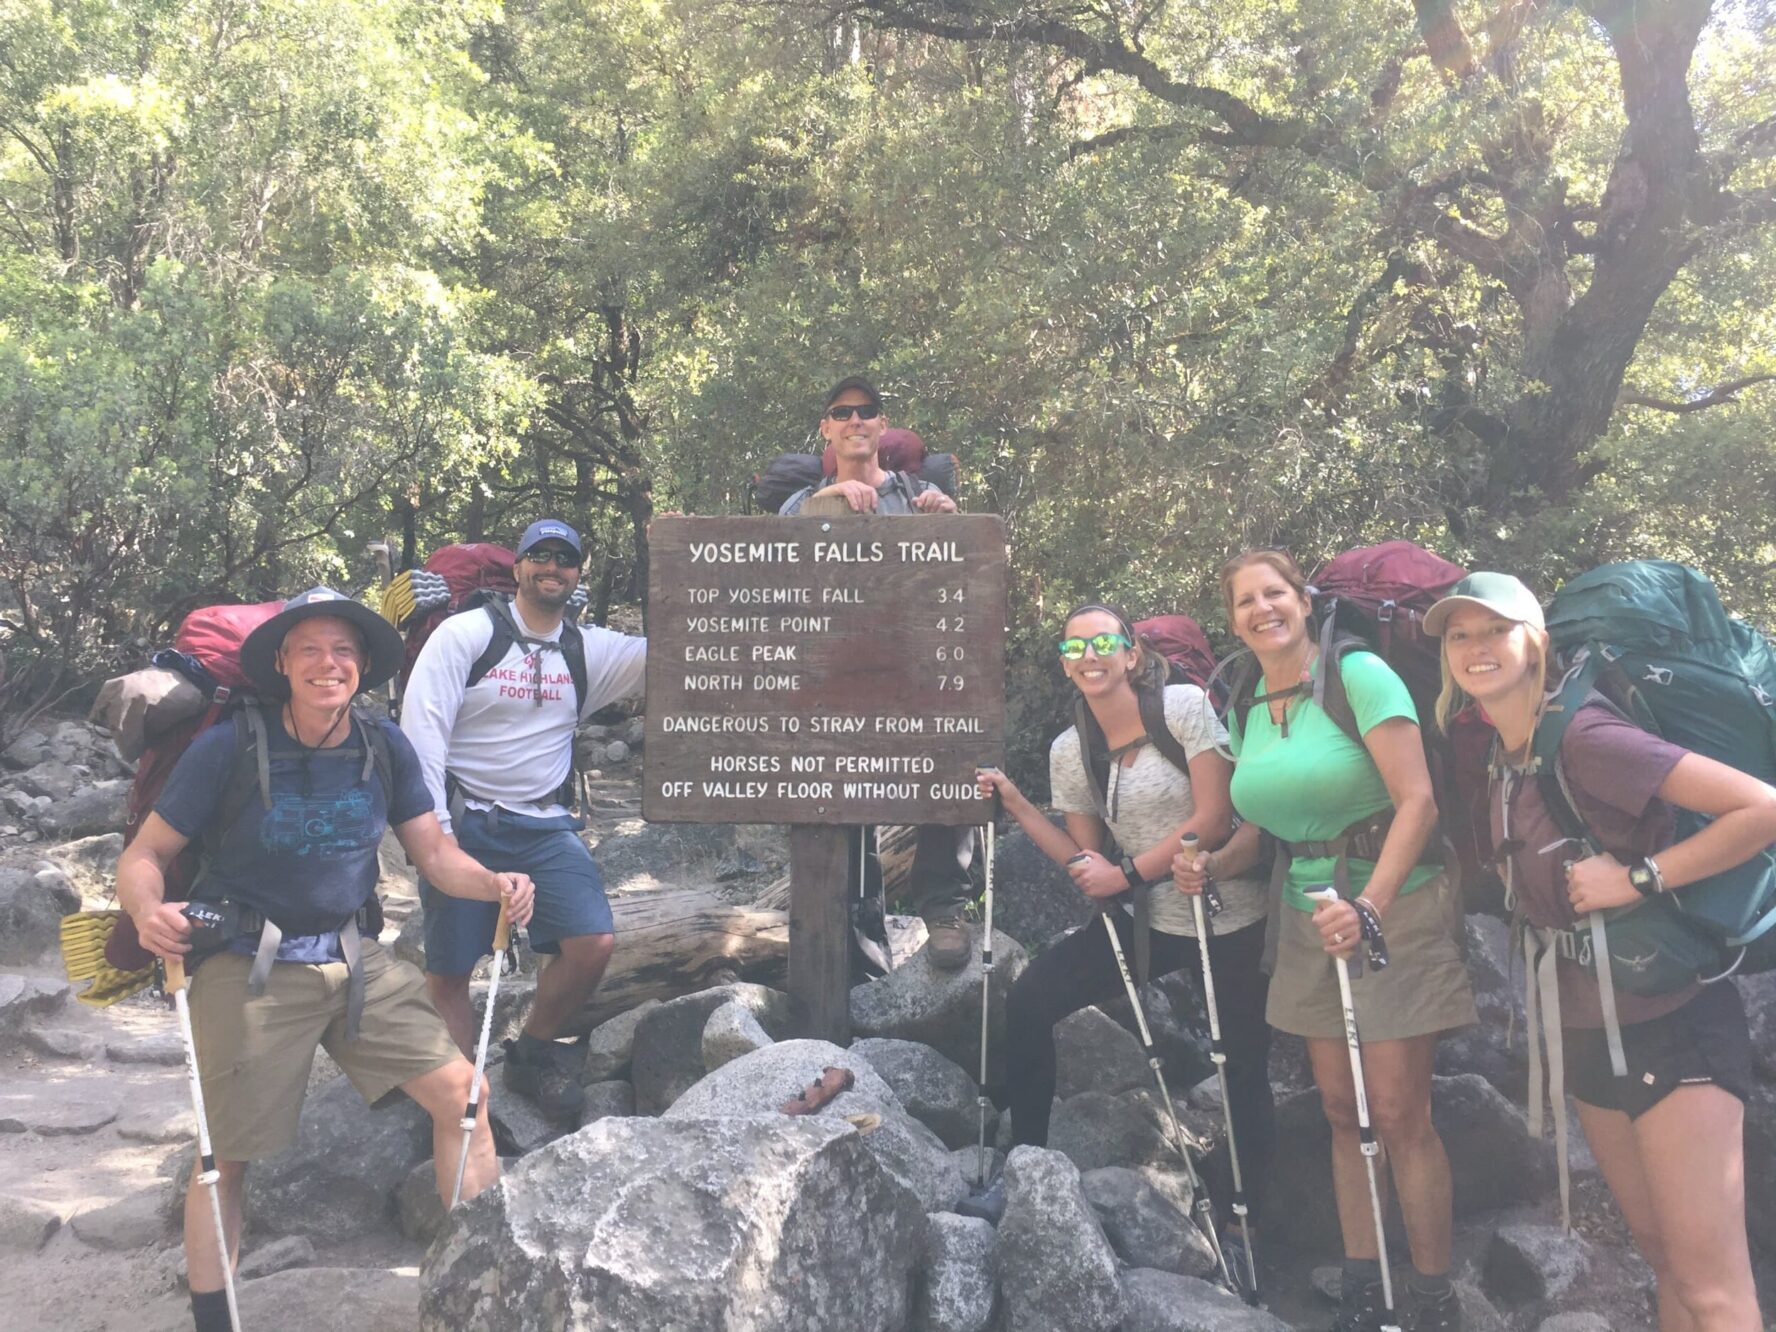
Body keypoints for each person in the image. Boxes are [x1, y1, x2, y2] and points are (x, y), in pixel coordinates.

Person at [116, 587, 535, 1332]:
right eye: (308, 649)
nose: (327, 663)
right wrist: (148, 912)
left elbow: (435, 854)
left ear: (364, 663)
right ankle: (215, 1320)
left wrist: (494, 884)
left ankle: (474, 1295)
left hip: (353, 956)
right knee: (224, 1158)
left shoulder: (383, 745)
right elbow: (145, 855)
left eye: (342, 649)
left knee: (465, 1100)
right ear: (281, 663)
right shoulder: (228, 747)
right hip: (244, 962)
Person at [1428, 573, 1774, 1332]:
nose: (1477, 647)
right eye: (1459, 635)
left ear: (1536, 641)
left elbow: (1761, 807)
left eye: (1495, 630)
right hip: (1588, 1028)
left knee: (1713, 1286)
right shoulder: (1505, 748)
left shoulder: (1584, 736)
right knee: (1664, 1258)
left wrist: (1639, 878)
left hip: (1673, 1019)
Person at [1173, 550, 1475, 1332]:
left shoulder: (1359, 675)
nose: (1261, 609)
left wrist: (1368, 906)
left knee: (1400, 1112)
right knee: (1343, 1110)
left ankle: (1432, 1294)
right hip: (1306, 911)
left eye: (1274, 593)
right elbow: (1262, 825)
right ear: (1232, 619)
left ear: (1305, 601)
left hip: (1394, 902)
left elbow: (1417, 802)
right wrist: (1212, 864)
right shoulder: (1246, 698)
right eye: (1244, 601)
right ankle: (1363, 1279)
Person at [977, 603, 1275, 1232]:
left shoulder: (1183, 709)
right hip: (1151, 923)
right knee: (1029, 1000)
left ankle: (1253, 1215)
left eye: (1103, 643)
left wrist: (1128, 874)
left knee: (1241, 1061)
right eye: (1074, 648)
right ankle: (1026, 1168)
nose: (1089, 657)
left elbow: (1213, 818)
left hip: (1228, 914)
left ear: (1132, 654)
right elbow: (1085, 859)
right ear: (1064, 664)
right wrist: (1018, 806)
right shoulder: (1072, 748)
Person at [402, 518, 646, 1121]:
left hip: (544, 825)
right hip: (466, 822)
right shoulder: (465, 635)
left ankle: (531, 1053)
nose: (552, 566)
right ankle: (462, 1101)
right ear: (517, 567)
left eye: (565, 558)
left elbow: (681, 650)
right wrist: (434, 832)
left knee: (592, 943)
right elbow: (422, 734)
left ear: (579, 573)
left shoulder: (588, 649)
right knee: (451, 972)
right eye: (540, 555)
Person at [781, 375, 975, 969]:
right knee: (842, 800)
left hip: (913, 671)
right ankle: (860, 945)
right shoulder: (800, 501)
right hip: (834, 678)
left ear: (882, 425)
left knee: (955, 759)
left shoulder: (919, 494)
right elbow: (773, 572)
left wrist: (951, 524)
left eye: (866, 411)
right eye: (842, 412)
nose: (855, 420)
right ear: (826, 428)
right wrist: (826, 506)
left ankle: (945, 906)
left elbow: (964, 583)